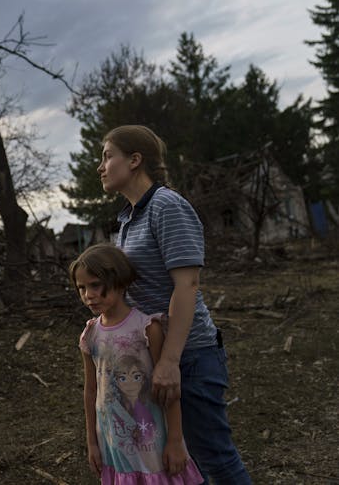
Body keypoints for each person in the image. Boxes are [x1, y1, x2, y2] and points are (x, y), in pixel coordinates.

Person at [96, 125, 250, 483]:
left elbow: (187, 285)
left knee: (215, 459)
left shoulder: (166, 206)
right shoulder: (127, 219)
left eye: (107, 156)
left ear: (135, 160)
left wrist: (169, 361)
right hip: (157, 354)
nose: (100, 166)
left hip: (189, 354)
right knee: (184, 460)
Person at [73, 243, 203, 484]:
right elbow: (91, 391)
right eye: (81, 287)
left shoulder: (147, 329)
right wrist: (92, 442)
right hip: (113, 440)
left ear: (120, 282)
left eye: (95, 285)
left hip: (151, 439)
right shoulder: (89, 335)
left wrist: (175, 440)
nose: (88, 295)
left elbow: (169, 390)